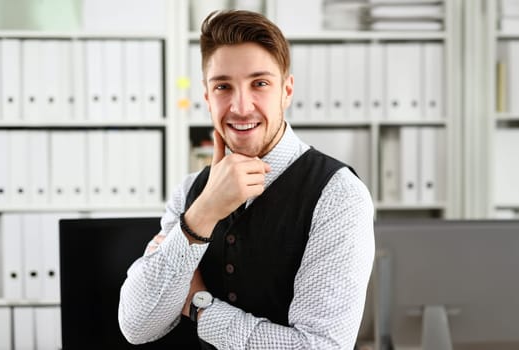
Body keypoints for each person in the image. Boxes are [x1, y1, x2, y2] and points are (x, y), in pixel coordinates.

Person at [118, 9, 375, 350]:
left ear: (287, 90)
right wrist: (203, 213)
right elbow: (136, 326)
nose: (240, 107)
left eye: (260, 84)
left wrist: (200, 308)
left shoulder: (338, 195)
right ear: (208, 98)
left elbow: (320, 347)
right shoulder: (191, 191)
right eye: (223, 86)